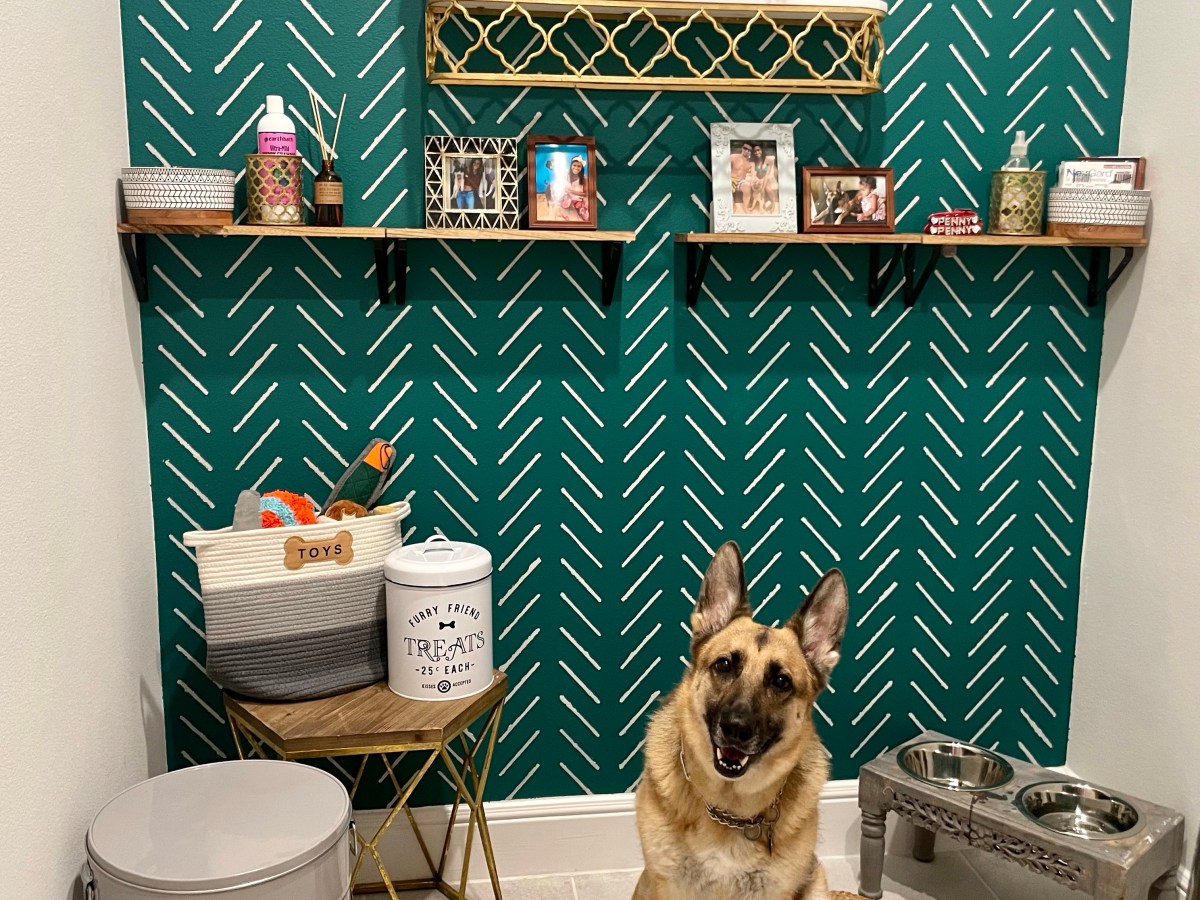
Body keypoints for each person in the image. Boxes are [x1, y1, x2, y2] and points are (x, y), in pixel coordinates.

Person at [561, 155, 590, 222]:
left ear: (582, 168)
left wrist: (572, 191)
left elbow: (585, 194)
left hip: (578, 197)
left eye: (579, 166)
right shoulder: (565, 174)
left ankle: (579, 207)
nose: (576, 167)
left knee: (586, 214)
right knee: (564, 205)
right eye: (574, 165)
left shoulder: (584, 178)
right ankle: (572, 204)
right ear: (571, 165)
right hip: (567, 196)